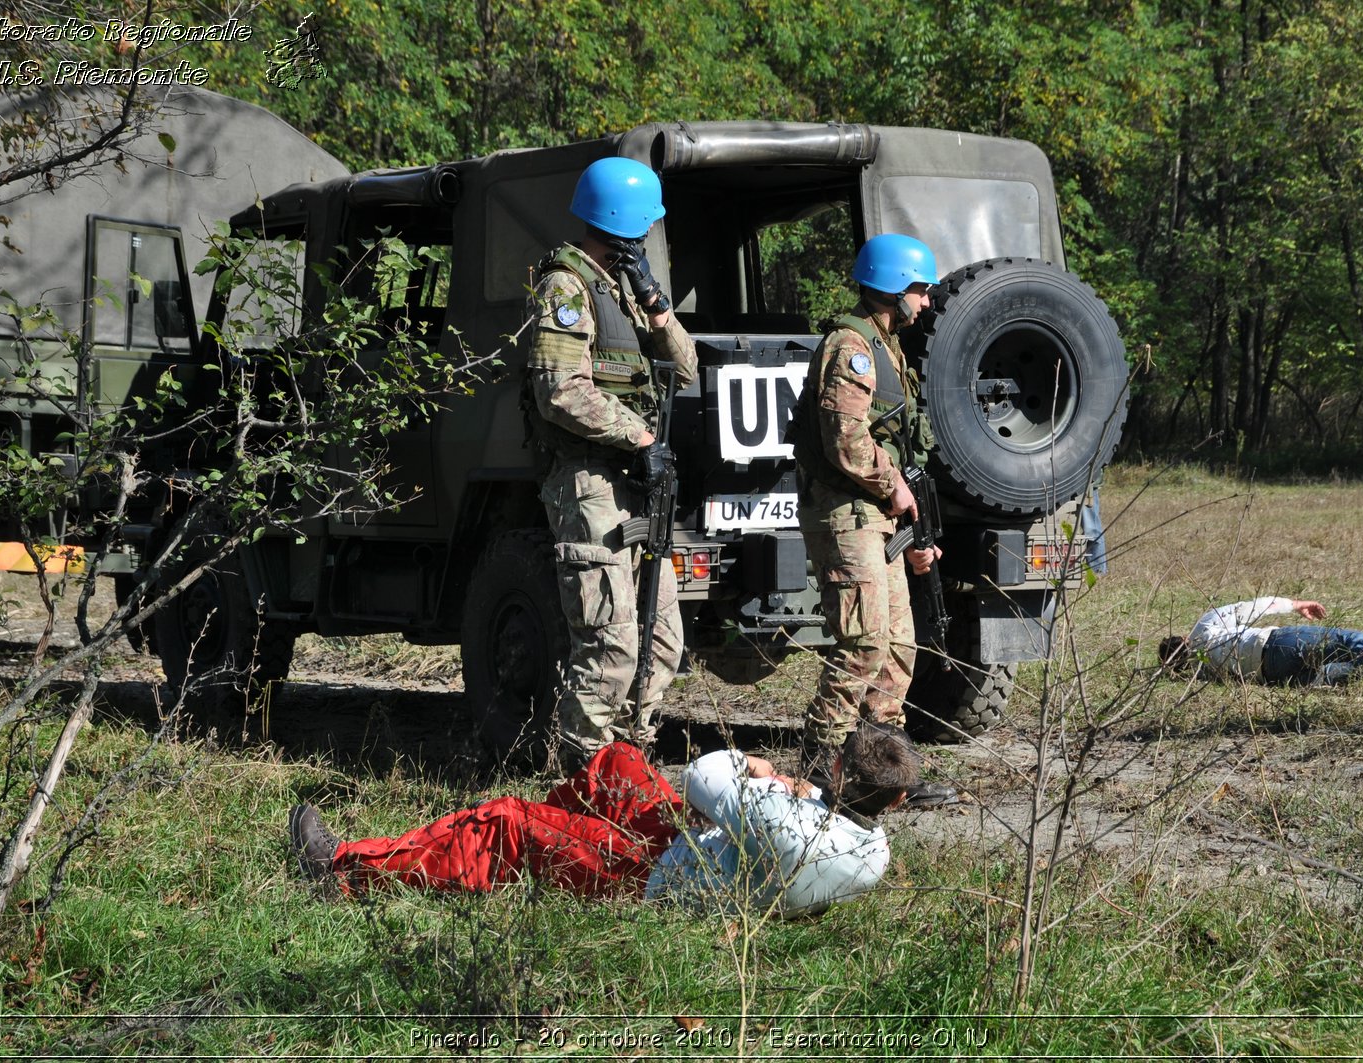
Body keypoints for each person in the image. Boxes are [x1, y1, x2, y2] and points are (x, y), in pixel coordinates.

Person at [287, 721, 923, 919]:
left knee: (505, 820)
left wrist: (760, 766)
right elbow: (825, 822)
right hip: (704, 856)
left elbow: (705, 777)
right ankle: (533, 863)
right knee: (617, 760)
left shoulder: (778, 815)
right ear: (892, 802)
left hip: (653, 878)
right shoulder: (873, 854)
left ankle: (345, 870)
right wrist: (807, 792)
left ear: (838, 767)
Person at [522, 157, 699, 768]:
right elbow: (561, 390)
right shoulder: (566, 287)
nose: (650, 232)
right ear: (625, 220)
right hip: (590, 480)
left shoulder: (624, 287)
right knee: (611, 645)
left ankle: (627, 768)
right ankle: (579, 784)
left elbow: (687, 366)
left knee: (662, 640)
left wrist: (654, 304)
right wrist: (641, 438)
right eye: (646, 222)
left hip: (636, 483)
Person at [791, 233, 954, 805]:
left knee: (897, 647)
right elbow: (847, 442)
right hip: (848, 512)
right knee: (861, 643)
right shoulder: (852, 346)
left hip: (878, 517)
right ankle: (818, 767)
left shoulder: (887, 348)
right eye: (921, 290)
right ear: (892, 286)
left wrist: (914, 527)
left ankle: (884, 773)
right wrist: (896, 489)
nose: (927, 301)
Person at [1158, 596, 1363, 689]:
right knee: (1353, 641)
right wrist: (1296, 604)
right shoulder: (1203, 628)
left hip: (1273, 677)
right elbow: (1256, 606)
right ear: (1184, 638)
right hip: (1275, 645)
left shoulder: (1202, 674)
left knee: (1344, 671)